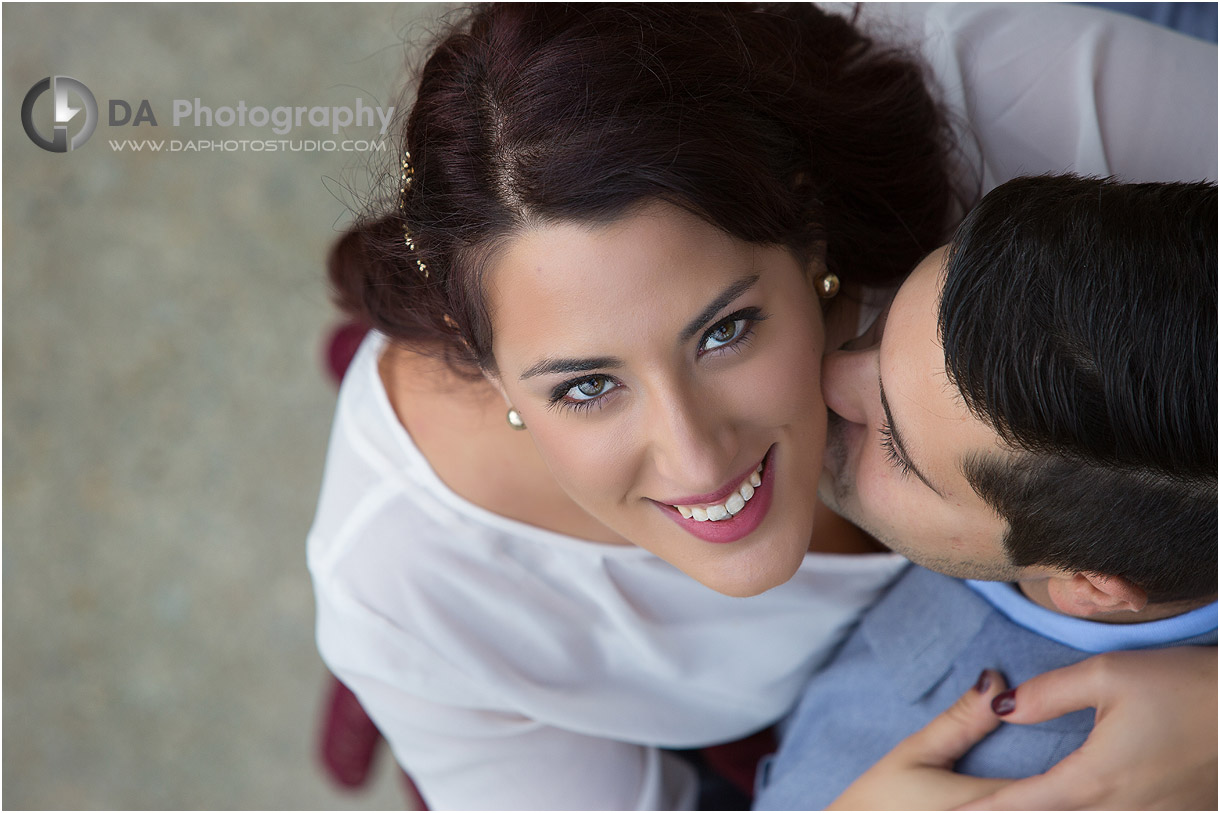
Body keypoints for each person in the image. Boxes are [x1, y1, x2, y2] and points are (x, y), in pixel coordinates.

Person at [307, 4, 1217, 808]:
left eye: (725, 331)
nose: (698, 460)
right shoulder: (404, 593)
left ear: (807, 234)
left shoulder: (1000, 91)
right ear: (485, 365)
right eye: (586, 387)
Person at [753, 175, 1218, 810]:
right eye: (880, 329)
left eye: (896, 449)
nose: (825, 379)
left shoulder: (905, 777)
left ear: (1089, 587)